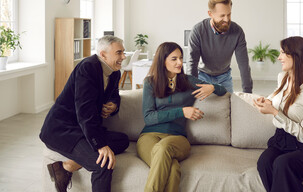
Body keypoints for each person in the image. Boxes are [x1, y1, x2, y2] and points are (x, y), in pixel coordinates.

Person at [40, 35, 130, 192]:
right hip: (63, 130)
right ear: (103, 54)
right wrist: (100, 145)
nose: (123, 56)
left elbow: (115, 95)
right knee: (103, 165)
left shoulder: (115, 73)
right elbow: (84, 111)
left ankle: (66, 167)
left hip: (83, 130)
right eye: (119, 52)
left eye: (123, 52)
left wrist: (113, 105)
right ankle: (66, 166)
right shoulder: (88, 67)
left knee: (123, 141)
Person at [136, 42, 227, 192]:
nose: (179, 63)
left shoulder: (189, 81)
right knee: (172, 169)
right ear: (162, 60)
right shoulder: (150, 83)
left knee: (163, 147)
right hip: (149, 136)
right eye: (174, 59)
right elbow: (149, 118)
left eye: (180, 58)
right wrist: (182, 111)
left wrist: (213, 87)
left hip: (177, 138)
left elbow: (222, 90)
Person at [254, 36, 303, 192]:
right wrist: (265, 101)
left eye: (282, 53)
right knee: (264, 163)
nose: (279, 58)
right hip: (280, 141)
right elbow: (277, 99)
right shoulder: (283, 78)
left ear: (296, 55)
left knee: (282, 164)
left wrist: (275, 113)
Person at [186, 0, 253, 93]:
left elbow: (243, 64)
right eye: (222, 16)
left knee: (228, 105)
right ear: (210, 14)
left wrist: (248, 92)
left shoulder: (237, 31)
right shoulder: (198, 30)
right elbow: (192, 63)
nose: (226, 19)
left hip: (224, 77)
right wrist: (191, 89)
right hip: (203, 75)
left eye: (229, 14)